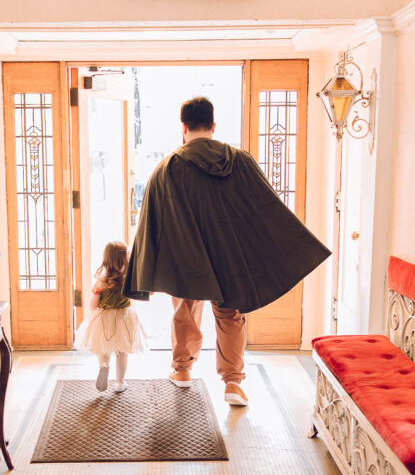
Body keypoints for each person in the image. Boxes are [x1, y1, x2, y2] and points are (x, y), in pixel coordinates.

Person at [124, 97, 331, 407]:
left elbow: (152, 220)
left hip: (185, 258)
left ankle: (181, 372)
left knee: (184, 311)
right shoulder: (240, 161)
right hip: (230, 257)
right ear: (213, 125)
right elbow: (264, 207)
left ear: (184, 127)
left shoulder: (168, 168)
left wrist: (147, 267)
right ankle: (232, 383)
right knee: (231, 315)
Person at [76, 241, 147, 393]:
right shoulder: (128, 279)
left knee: (104, 349)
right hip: (124, 317)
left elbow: (93, 306)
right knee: (122, 352)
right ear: (125, 258)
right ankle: (120, 383)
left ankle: (104, 367)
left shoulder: (102, 280)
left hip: (103, 319)